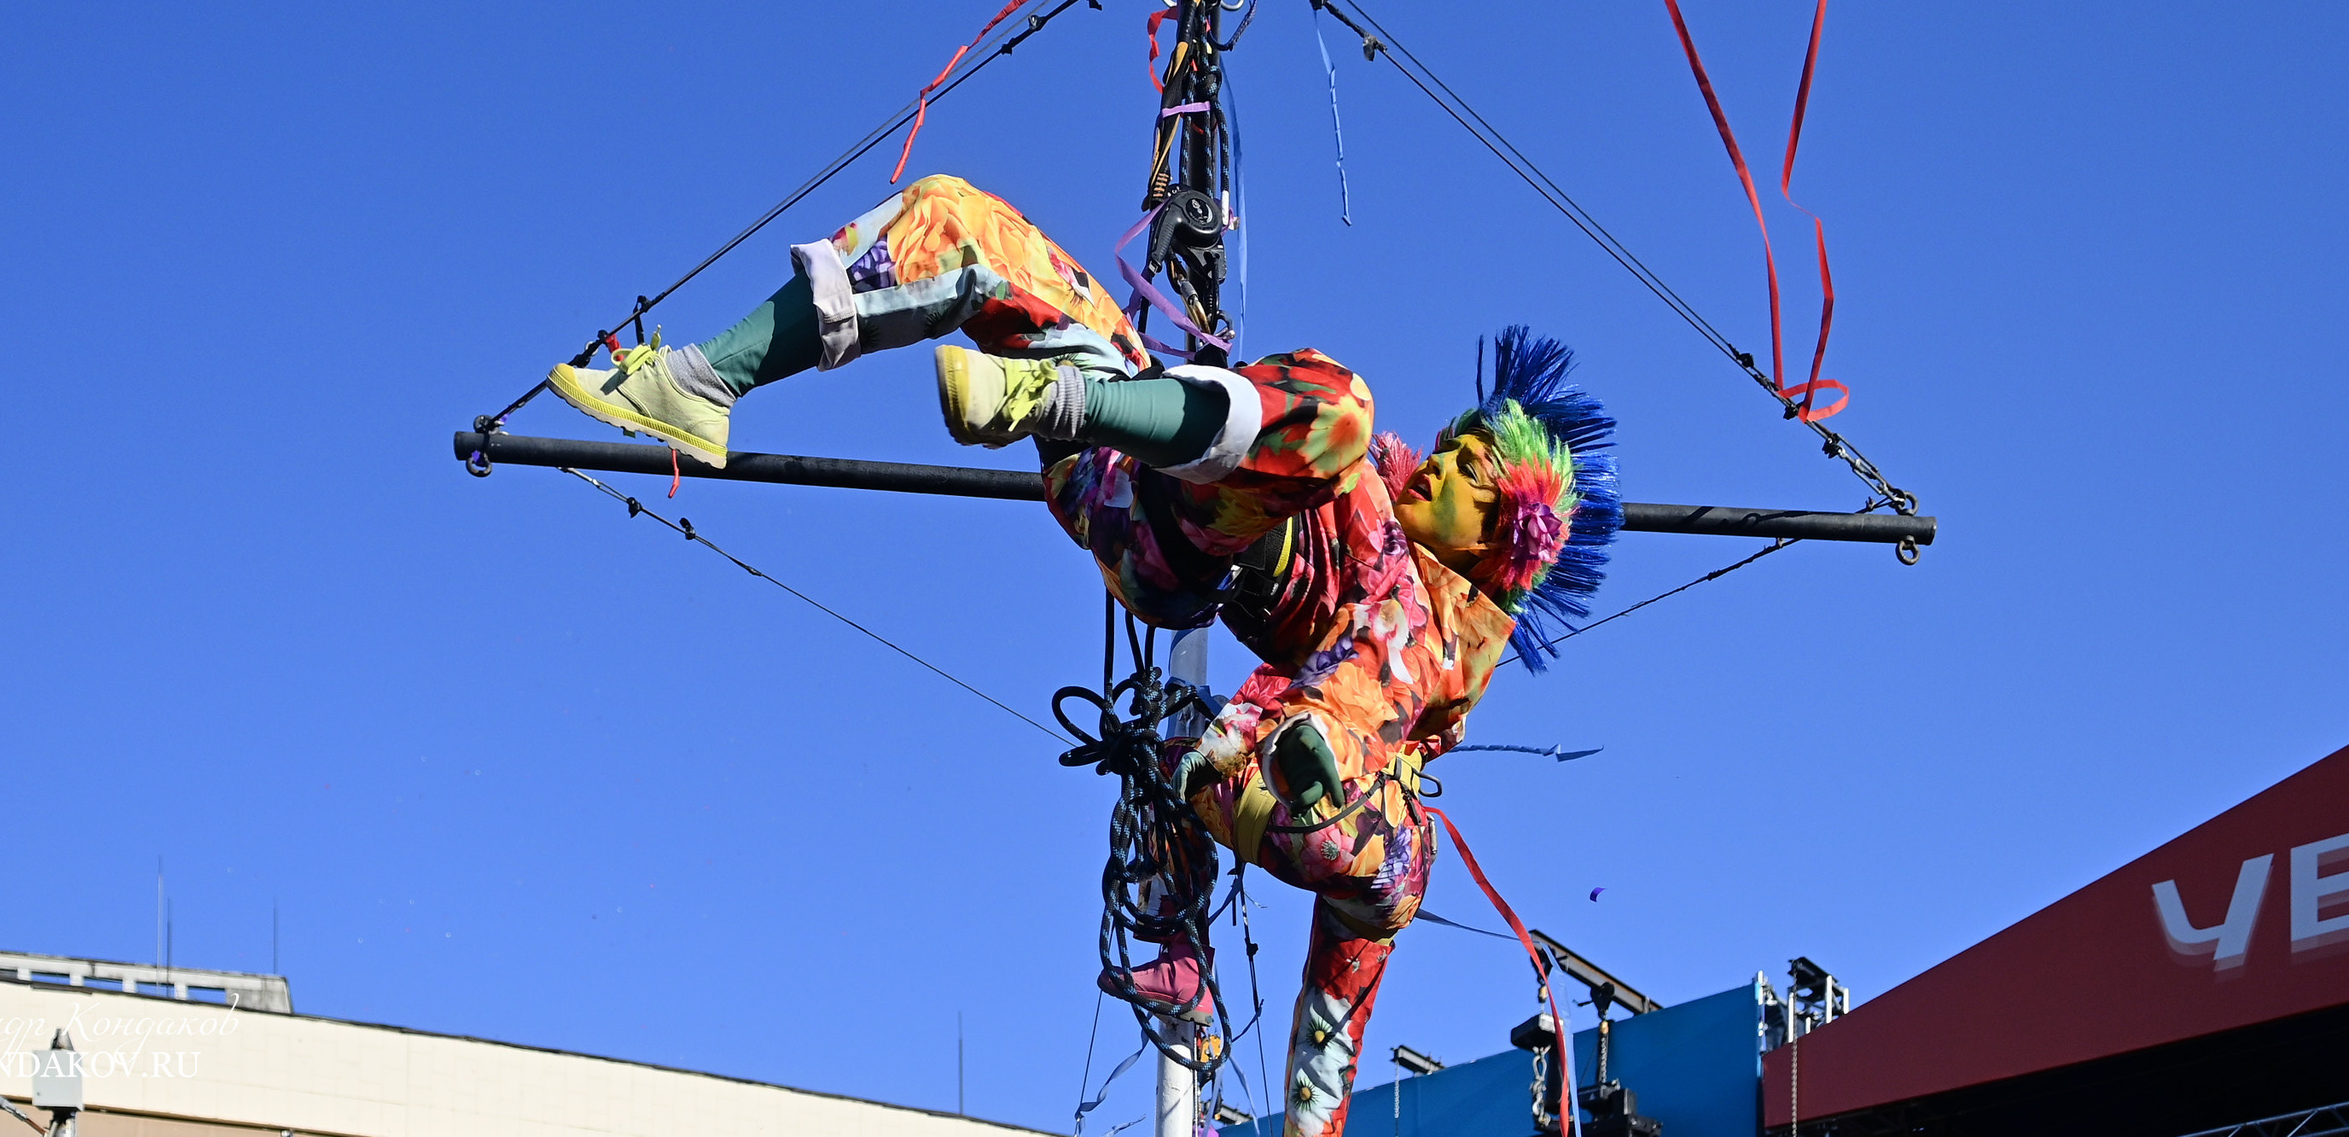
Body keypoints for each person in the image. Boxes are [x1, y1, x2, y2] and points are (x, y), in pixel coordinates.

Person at [548, 174, 1616, 1137]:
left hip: (1180, 550)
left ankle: (1266, 803)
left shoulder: (1426, 622)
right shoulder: (1365, 484)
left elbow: (1333, 1026)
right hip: (1122, 467)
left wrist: (1287, 749)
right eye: (1454, 444)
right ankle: (700, 381)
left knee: (1339, 417)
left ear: (1498, 541)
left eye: (1469, 471)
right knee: (958, 217)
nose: (1439, 461)